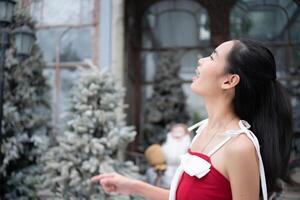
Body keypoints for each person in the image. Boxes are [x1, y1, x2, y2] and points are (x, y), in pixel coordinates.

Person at [91, 39, 293, 200]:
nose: (201, 60)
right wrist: (132, 186)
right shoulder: (202, 131)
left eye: (212, 57)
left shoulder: (239, 147)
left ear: (229, 81)